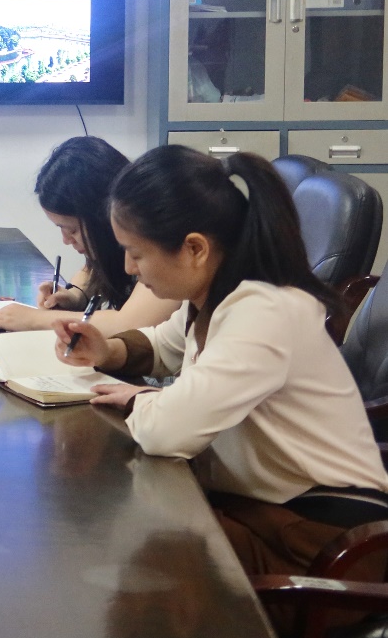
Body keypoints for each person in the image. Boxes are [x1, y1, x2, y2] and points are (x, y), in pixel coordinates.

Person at [58, 145, 388, 587]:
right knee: (133, 539)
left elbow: (166, 432)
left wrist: (145, 400)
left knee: (140, 548)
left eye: (135, 252)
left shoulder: (264, 311)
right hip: (265, 510)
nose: (128, 267)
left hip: (323, 544)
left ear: (194, 248)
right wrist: (109, 352)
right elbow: (165, 345)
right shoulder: (218, 295)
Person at [0, 136, 178, 334]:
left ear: (102, 218)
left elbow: (130, 324)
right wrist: (75, 296)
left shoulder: (161, 245)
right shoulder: (116, 246)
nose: (66, 240)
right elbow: (92, 269)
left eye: (73, 230)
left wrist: (36, 319)